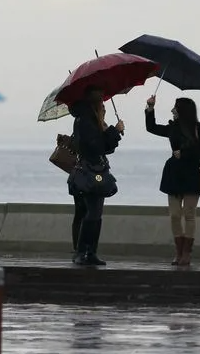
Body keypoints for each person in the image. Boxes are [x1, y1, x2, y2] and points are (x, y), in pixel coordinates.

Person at [145, 96, 200, 266]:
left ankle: (186, 253)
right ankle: (178, 250)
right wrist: (150, 108)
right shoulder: (173, 127)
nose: (172, 110)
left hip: (192, 174)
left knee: (189, 214)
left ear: (183, 110)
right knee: (175, 215)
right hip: (174, 173)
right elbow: (151, 128)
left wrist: (185, 153)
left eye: (175, 107)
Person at [68, 88, 124, 266]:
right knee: (93, 212)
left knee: (89, 212)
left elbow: (105, 147)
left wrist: (112, 132)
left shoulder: (87, 119)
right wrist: (114, 131)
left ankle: (87, 252)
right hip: (90, 173)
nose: (104, 105)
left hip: (85, 172)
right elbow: (96, 147)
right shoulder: (86, 121)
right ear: (96, 102)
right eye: (102, 102)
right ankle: (85, 251)